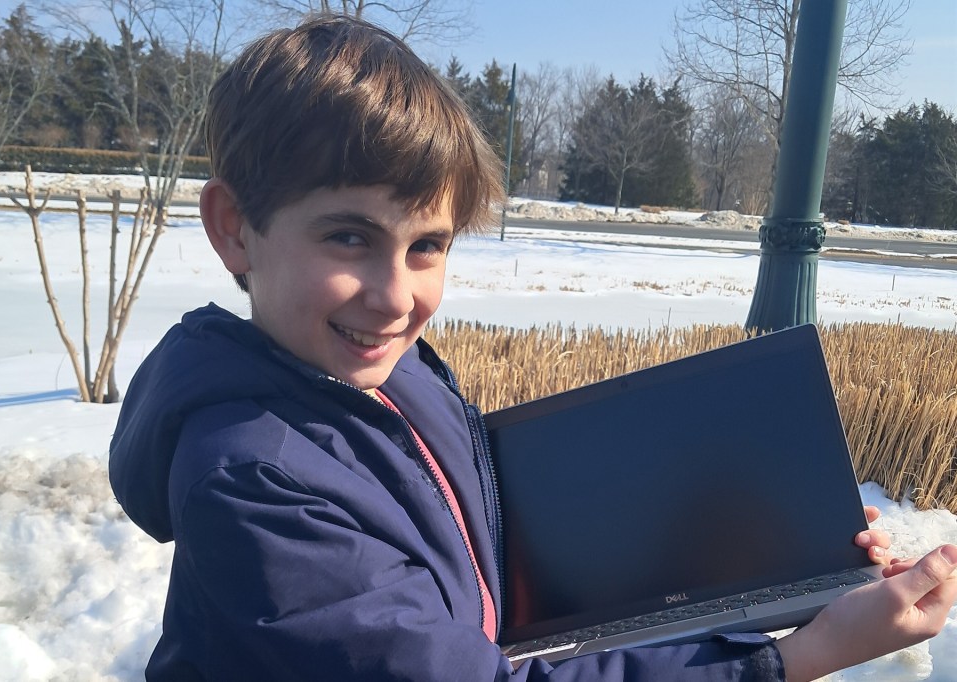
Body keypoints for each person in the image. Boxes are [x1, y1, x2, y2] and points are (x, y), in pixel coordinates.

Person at [108, 14, 957, 681]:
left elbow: (486, 531)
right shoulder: (254, 483)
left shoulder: (381, 378)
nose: (396, 296)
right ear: (234, 228)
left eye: (427, 246)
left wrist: (766, 552)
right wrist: (792, 659)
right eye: (346, 237)